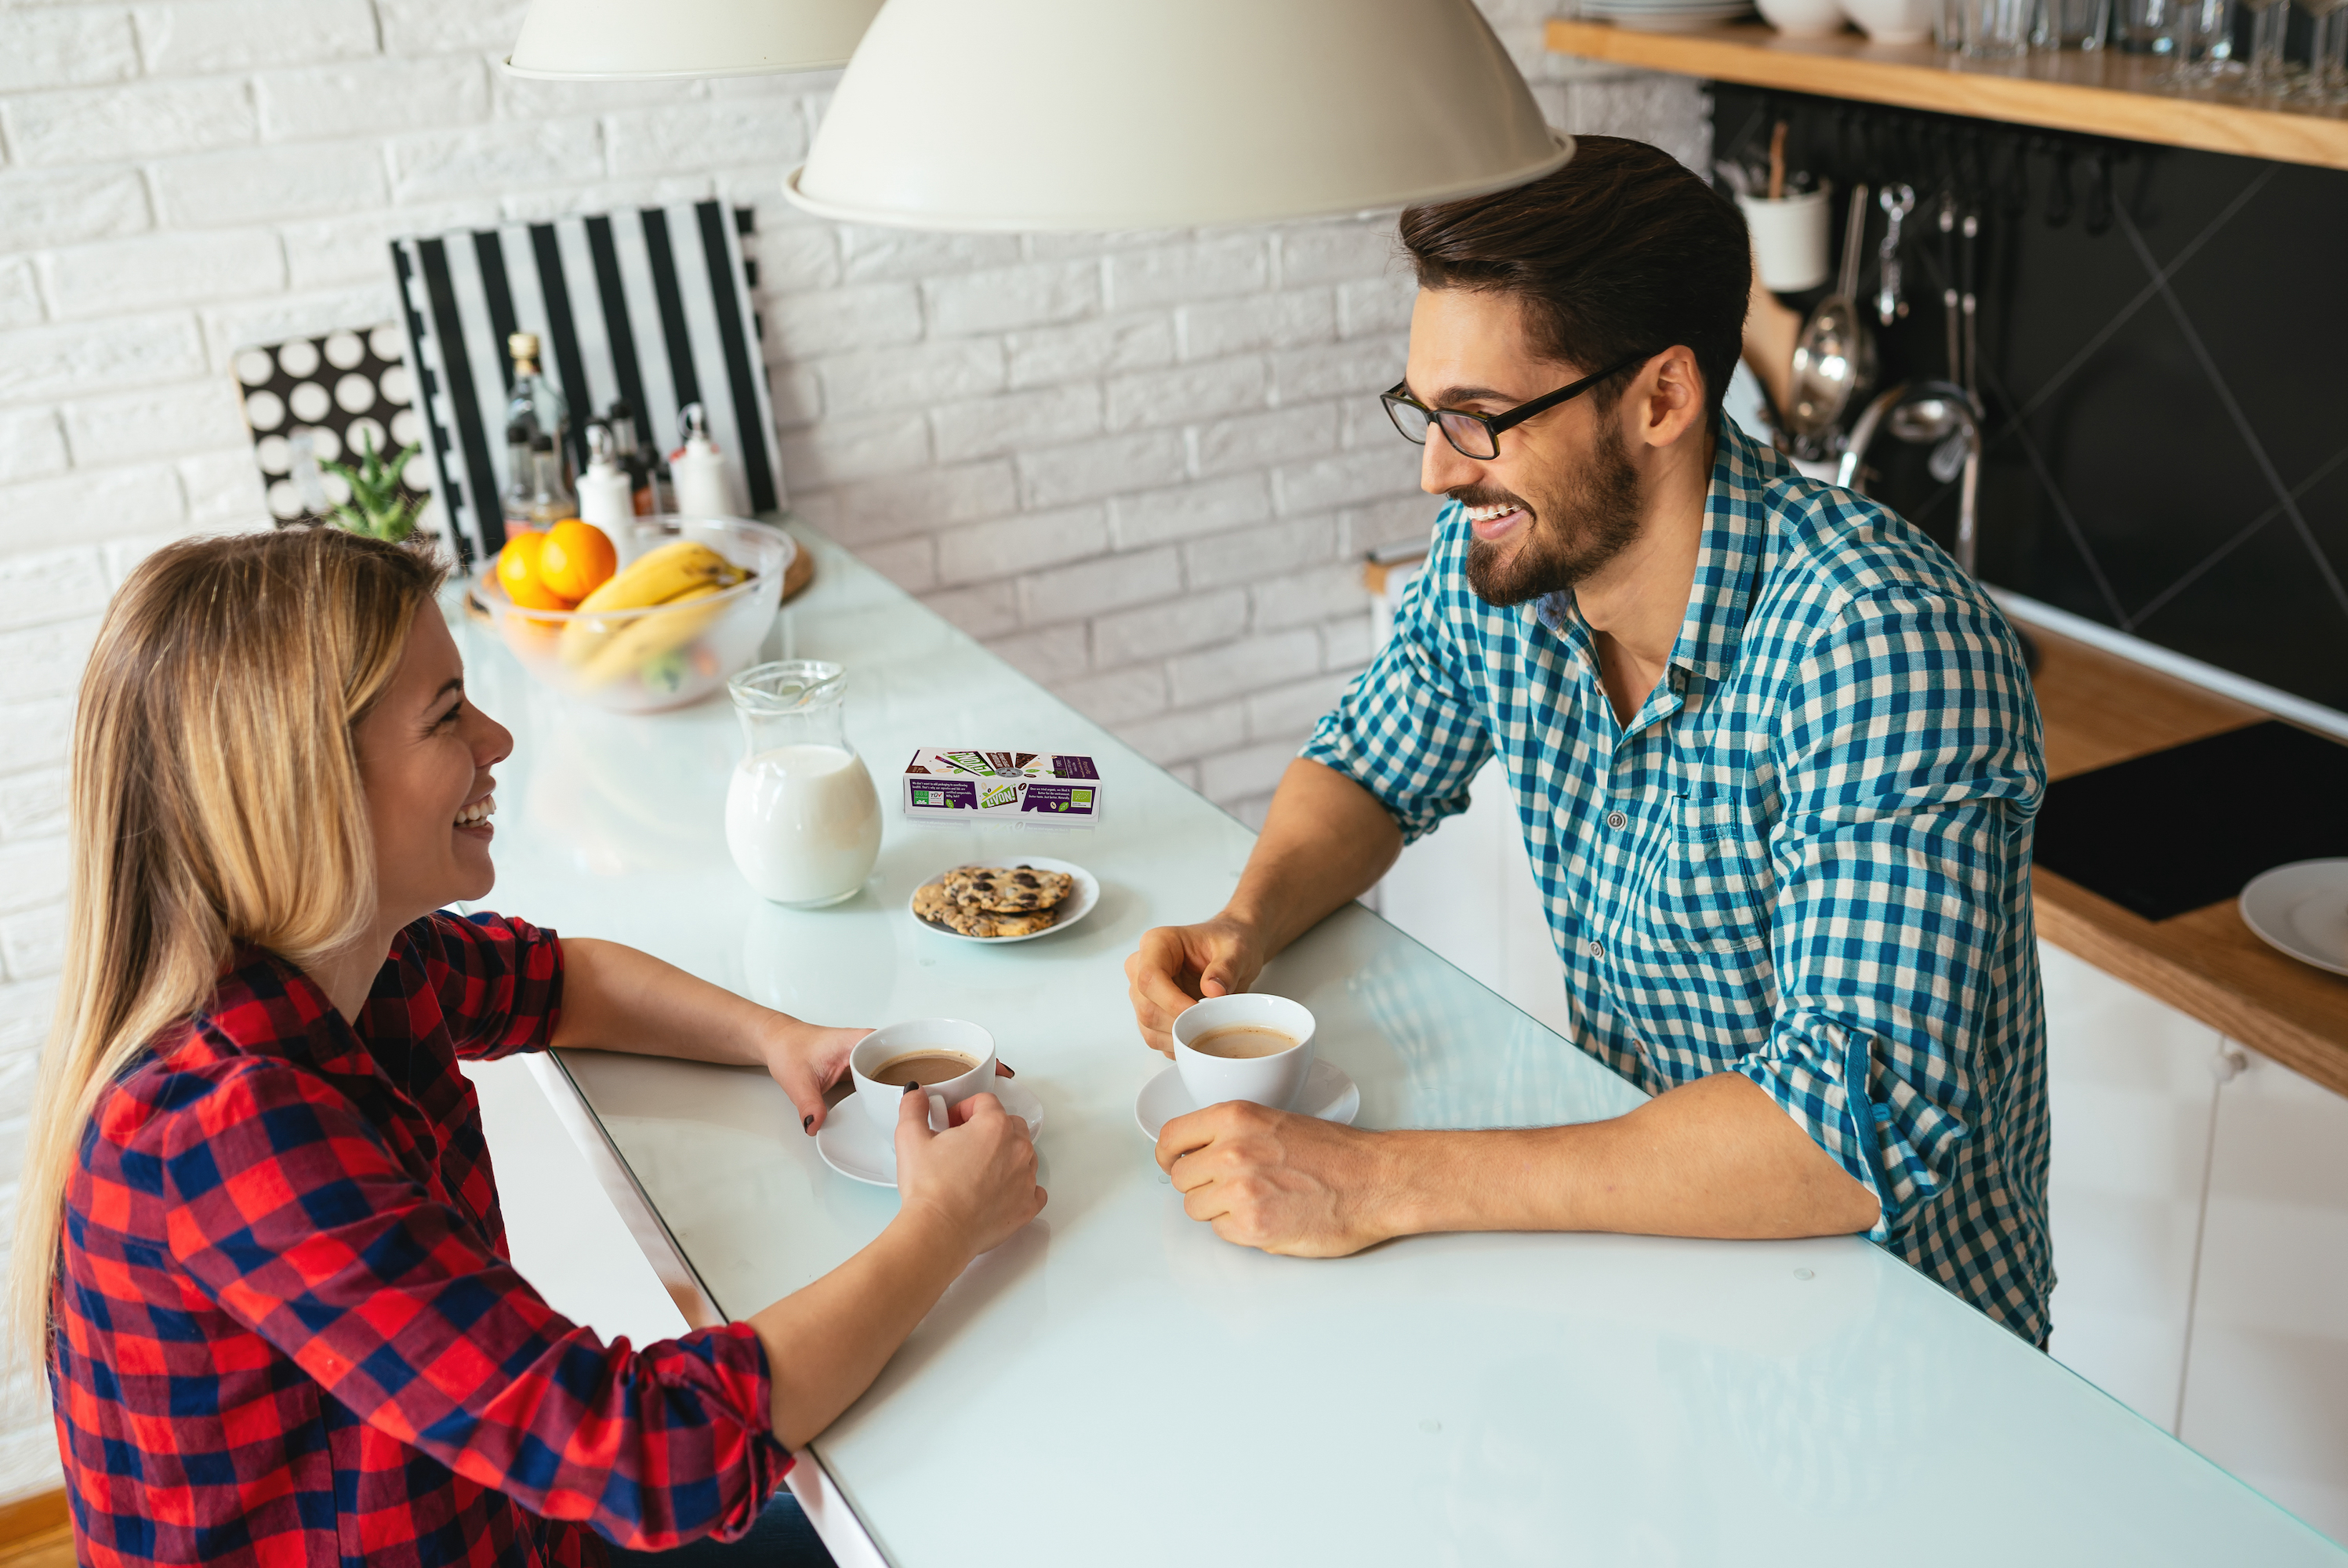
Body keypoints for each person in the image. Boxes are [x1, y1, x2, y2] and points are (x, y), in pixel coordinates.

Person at [1124, 136, 2051, 1345]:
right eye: (1425, 410)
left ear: (1662, 397)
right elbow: (1368, 760)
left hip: (1890, 1353)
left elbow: (1844, 1142)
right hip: (1648, 1265)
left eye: (1479, 419)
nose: (1433, 473)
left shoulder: (1878, 645)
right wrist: (1246, 925)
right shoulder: (1514, 568)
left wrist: (1380, 1182)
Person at [12, 527, 1047, 1566]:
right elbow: (652, 1454)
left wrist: (782, 1038)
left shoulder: (361, 965)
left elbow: (563, 983)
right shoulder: (224, 1132)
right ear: (306, 785)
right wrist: (944, 1223)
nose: (499, 740)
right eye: (448, 715)